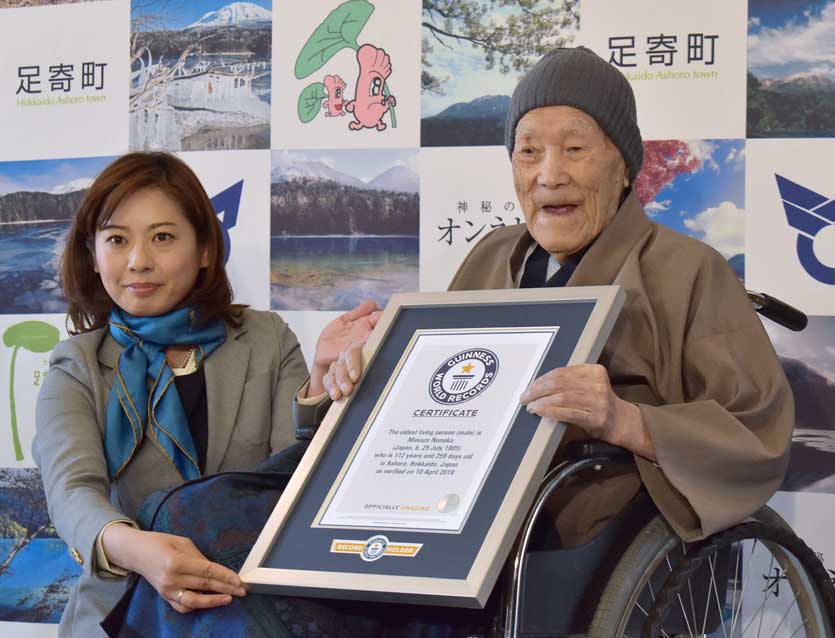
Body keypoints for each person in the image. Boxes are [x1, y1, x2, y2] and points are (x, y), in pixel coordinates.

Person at [327, 46, 795, 548]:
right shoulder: (491, 254)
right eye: (529, 151)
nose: (549, 175)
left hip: (578, 516)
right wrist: (354, 376)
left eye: (575, 150)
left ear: (625, 167)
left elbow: (754, 433)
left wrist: (624, 419)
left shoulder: (689, 269)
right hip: (452, 496)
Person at [32, 152, 380, 637]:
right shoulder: (77, 364)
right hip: (128, 606)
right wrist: (142, 552)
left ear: (205, 250)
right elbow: (72, 492)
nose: (138, 261)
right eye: (116, 239)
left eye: (163, 237)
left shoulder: (265, 337)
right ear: (93, 256)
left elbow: (294, 476)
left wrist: (322, 377)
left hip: (258, 601)